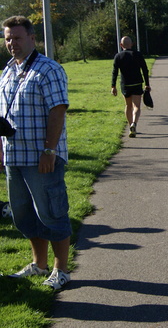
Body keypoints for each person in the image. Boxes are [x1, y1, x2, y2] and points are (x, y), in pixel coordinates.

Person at [0, 16, 72, 290]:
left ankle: (61, 269)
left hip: (41, 158)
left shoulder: (48, 69)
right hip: (14, 158)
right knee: (22, 215)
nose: (11, 43)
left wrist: (49, 150)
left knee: (52, 213)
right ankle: (39, 264)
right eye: (8, 38)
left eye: (17, 38)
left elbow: (58, 110)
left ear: (32, 38)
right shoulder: (7, 71)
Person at [111, 36, 151, 138]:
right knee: (136, 106)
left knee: (128, 106)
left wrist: (113, 86)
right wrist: (147, 84)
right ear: (132, 44)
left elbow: (115, 72)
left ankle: (130, 126)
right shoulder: (137, 54)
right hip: (137, 83)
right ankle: (134, 123)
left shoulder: (118, 56)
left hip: (125, 84)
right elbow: (145, 70)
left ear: (121, 45)